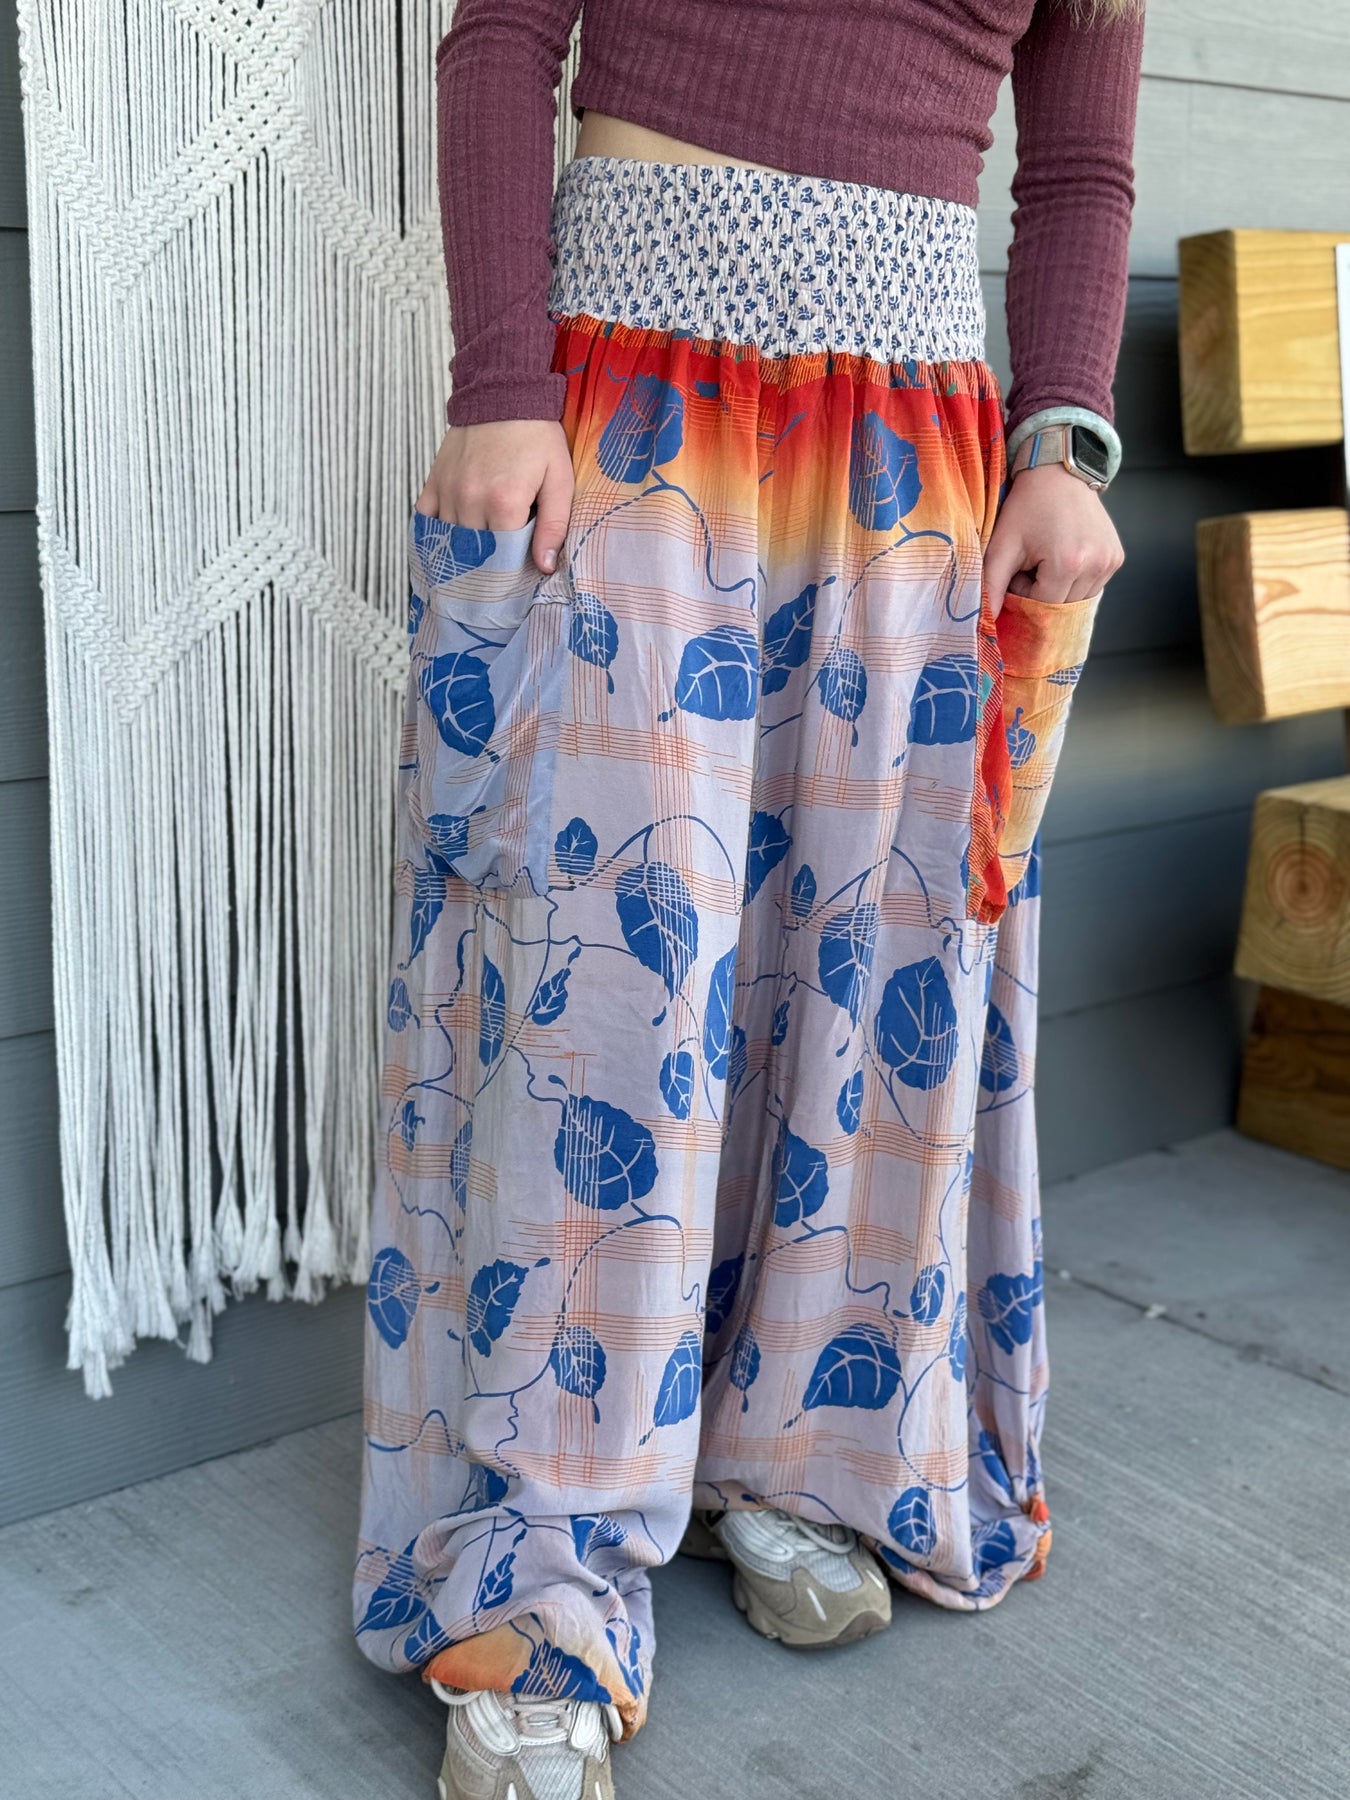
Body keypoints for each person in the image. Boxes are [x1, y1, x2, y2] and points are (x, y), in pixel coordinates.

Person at [354, 1, 1145, 1794]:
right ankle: (540, 1573)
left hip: (921, 443)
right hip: (632, 388)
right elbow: (502, 35)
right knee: (605, 990)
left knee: (867, 972)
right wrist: (498, 381)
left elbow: (1080, 160)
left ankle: (796, 1453)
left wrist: (1062, 438)